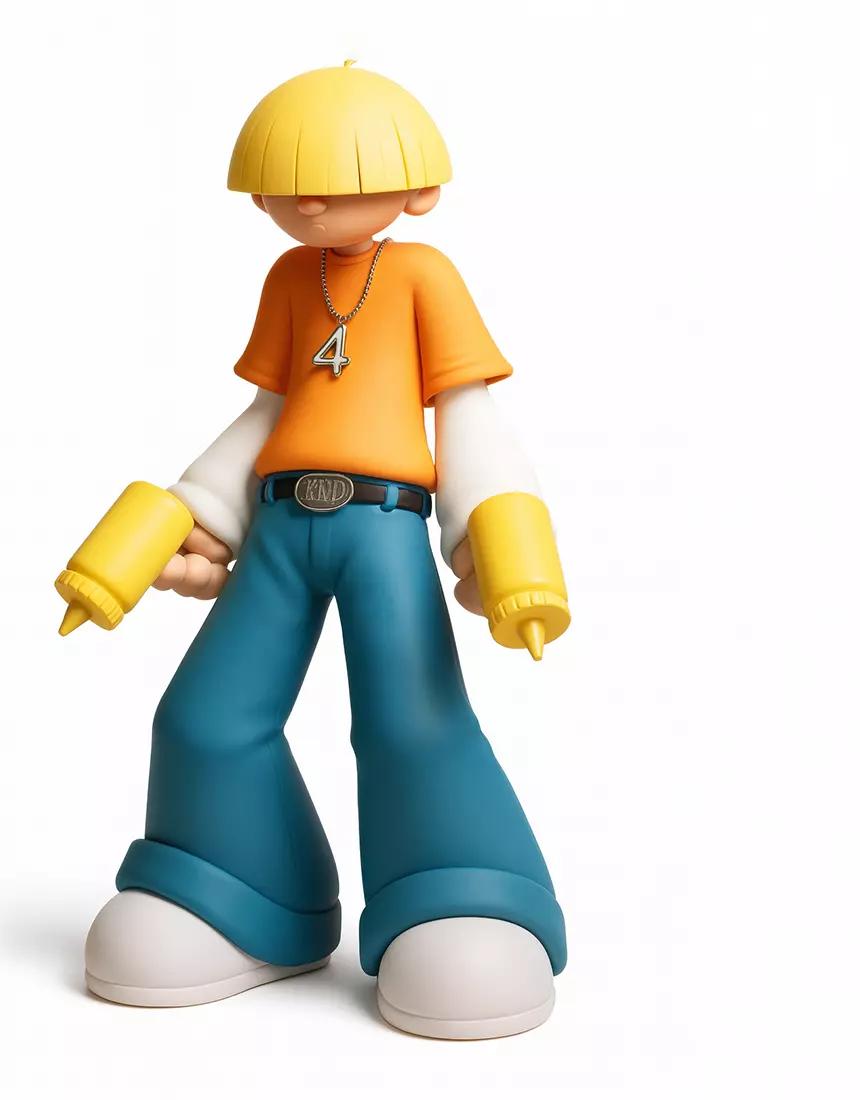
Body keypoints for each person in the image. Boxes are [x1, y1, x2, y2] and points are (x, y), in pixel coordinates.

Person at [82, 62, 570, 1040]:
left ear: (418, 190)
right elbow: (270, 411)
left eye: (337, 177)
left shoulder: (422, 276)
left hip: (385, 526)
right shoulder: (287, 280)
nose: (307, 200)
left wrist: (497, 537)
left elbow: (464, 411)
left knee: (411, 716)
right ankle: (233, 886)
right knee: (206, 712)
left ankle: (460, 889)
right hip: (278, 523)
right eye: (285, 182)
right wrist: (197, 513)